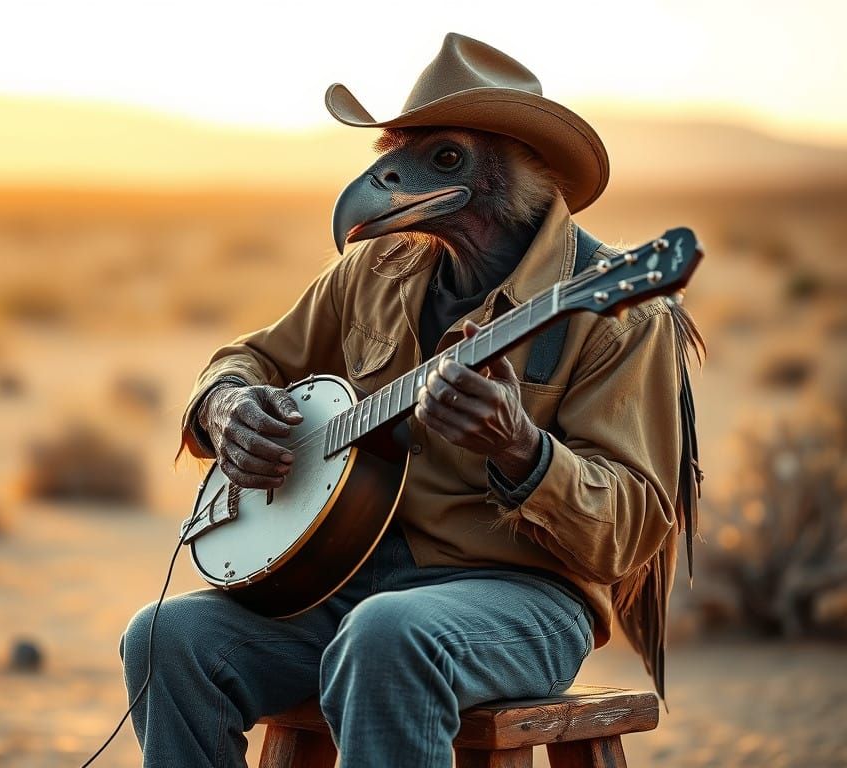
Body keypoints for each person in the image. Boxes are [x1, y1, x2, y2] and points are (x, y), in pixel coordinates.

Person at [120, 32, 700, 768]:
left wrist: (523, 451)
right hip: (346, 585)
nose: (390, 179)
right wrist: (227, 405)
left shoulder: (622, 313)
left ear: (516, 168)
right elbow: (253, 356)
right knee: (165, 638)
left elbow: (630, 531)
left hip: (521, 603)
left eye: (444, 158)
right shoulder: (378, 269)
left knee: (389, 635)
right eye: (396, 154)